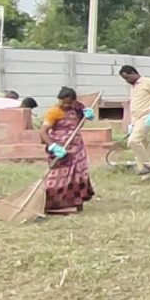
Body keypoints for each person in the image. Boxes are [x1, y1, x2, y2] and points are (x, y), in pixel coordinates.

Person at [38, 87, 95, 216]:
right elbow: (42, 132)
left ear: (74, 101)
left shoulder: (77, 108)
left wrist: (87, 115)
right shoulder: (54, 112)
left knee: (77, 175)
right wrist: (53, 146)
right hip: (60, 148)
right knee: (56, 177)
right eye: (63, 102)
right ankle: (53, 205)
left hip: (76, 148)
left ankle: (74, 204)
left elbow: (79, 122)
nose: (65, 105)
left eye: (69, 103)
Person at [117, 65, 150, 178]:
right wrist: (132, 124)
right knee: (142, 145)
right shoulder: (133, 87)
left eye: (127, 78)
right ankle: (145, 175)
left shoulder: (148, 82)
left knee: (133, 141)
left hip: (146, 117)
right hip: (136, 119)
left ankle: (148, 164)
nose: (127, 81)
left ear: (133, 73)